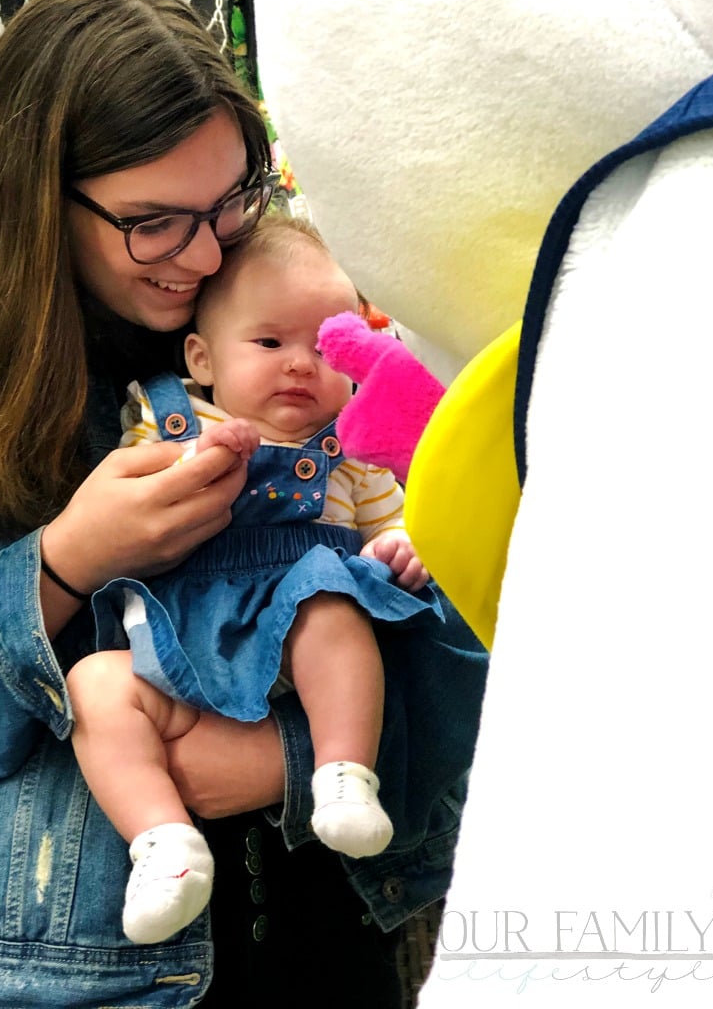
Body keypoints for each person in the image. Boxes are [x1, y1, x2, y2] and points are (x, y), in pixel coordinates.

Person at [0, 0, 488, 1009]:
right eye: (154, 221)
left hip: (348, 924)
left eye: (231, 203)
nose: (203, 255)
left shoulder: (310, 344)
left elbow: (476, 644)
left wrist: (292, 751)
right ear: (34, 195)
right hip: (70, 976)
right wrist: (65, 566)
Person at [67, 214, 444, 946]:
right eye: (270, 342)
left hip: (306, 658)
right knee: (94, 686)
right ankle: (163, 845)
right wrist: (204, 461)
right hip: (184, 649)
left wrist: (401, 547)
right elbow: (134, 507)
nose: (301, 364)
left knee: (327, 597)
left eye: (324, 345)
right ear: (202, 358)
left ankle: (342, 774)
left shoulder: (355, 448)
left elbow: (391, 523)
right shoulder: (169, 417)